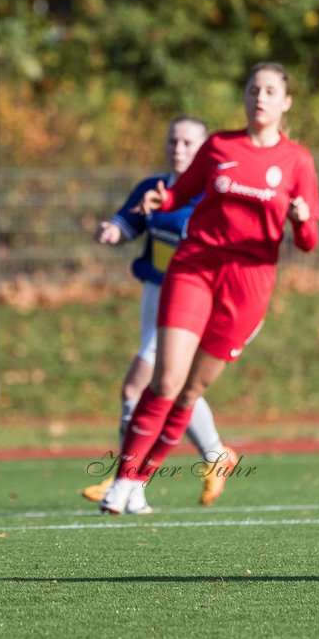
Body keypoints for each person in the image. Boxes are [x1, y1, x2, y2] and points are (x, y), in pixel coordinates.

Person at [99, 62, 319, 515]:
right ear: (244, 96)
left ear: (286, 102)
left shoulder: (297, 161)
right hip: (195, 267)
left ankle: (142, 481)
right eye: (253, 88)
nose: (260, 97)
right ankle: (123, 480)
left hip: (249, 284)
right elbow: (181, 195)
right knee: (165, 379)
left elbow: (309, 240)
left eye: (270, 90)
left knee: (190, 392)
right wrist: (161, 200)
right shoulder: (219, 145)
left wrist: (300, 219)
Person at [81, 117, 240, 512]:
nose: (180, 148)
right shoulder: (156, 187)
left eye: (189, 142)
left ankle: (127, 479)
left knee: (138, 387)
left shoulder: (213, 193)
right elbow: (128, 221)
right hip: (157, 296)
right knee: (176, 385)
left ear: (204, 149)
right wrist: (112, 231)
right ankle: (214, 457)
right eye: (174, 140)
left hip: (193, 300)